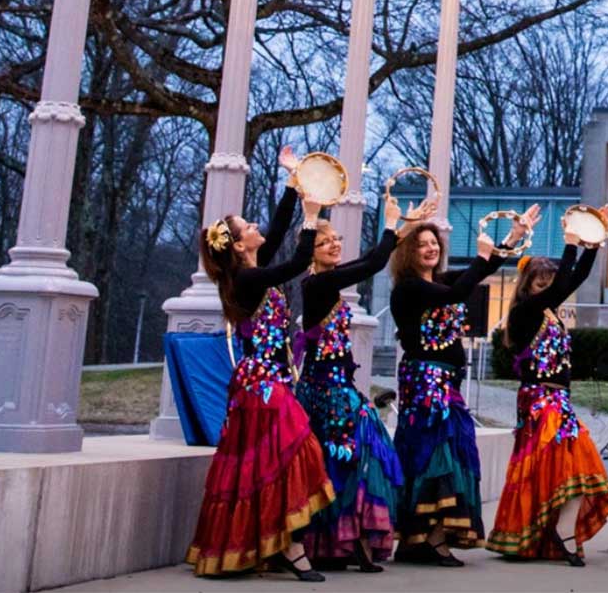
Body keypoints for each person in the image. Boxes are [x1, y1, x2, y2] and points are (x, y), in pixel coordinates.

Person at [185, 149, 334, 581]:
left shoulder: (254, 269)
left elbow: (278, 227)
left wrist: (294, 182)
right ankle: (291, 549)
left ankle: (281, 545)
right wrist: (312, 217)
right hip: (262, 388)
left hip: (271, 383)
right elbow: (295, 262)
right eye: (248, 227)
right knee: (293, 455)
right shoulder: (247, 280)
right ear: (237, 244)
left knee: (281, 463)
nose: (256, 228)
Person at [295, 193, 431, 573]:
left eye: (336, 239)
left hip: (340, 388)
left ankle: (348, 540)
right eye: (325, 242)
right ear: (311, 252)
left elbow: (367, 260)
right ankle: (330, 541)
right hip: (323, 393)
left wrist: (406, 226)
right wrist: (390, 224)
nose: (335, 244)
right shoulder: (317, 286)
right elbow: (371, 262)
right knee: (340, 461)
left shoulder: (329, 283)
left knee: (361, 460)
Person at [389, 206, 528, 566]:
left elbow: (477, 274)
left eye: (434, 242)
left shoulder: (441, 281)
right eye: (422, 244)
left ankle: (423, 536)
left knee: (448, 452)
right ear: (410, 252)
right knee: (434, 452)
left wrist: (510, 239)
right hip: (424, 380)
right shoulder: (408, 289)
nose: (431, 248)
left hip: (447, 380)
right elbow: (458, 293)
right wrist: (482, 257)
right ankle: (427, 538)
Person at [486, 210, 608, 565]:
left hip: (559, 400)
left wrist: (592, 243)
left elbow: (573, 280)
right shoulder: (524, 314)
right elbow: (565, 282)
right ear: (528, 287)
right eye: (540, 285)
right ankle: (544, 533)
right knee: (549, 466)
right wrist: (571, 244)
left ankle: (562, 532)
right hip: (539, 401)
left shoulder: (551, 315)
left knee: (575, 468)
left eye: (550, 286)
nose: (548, 291)